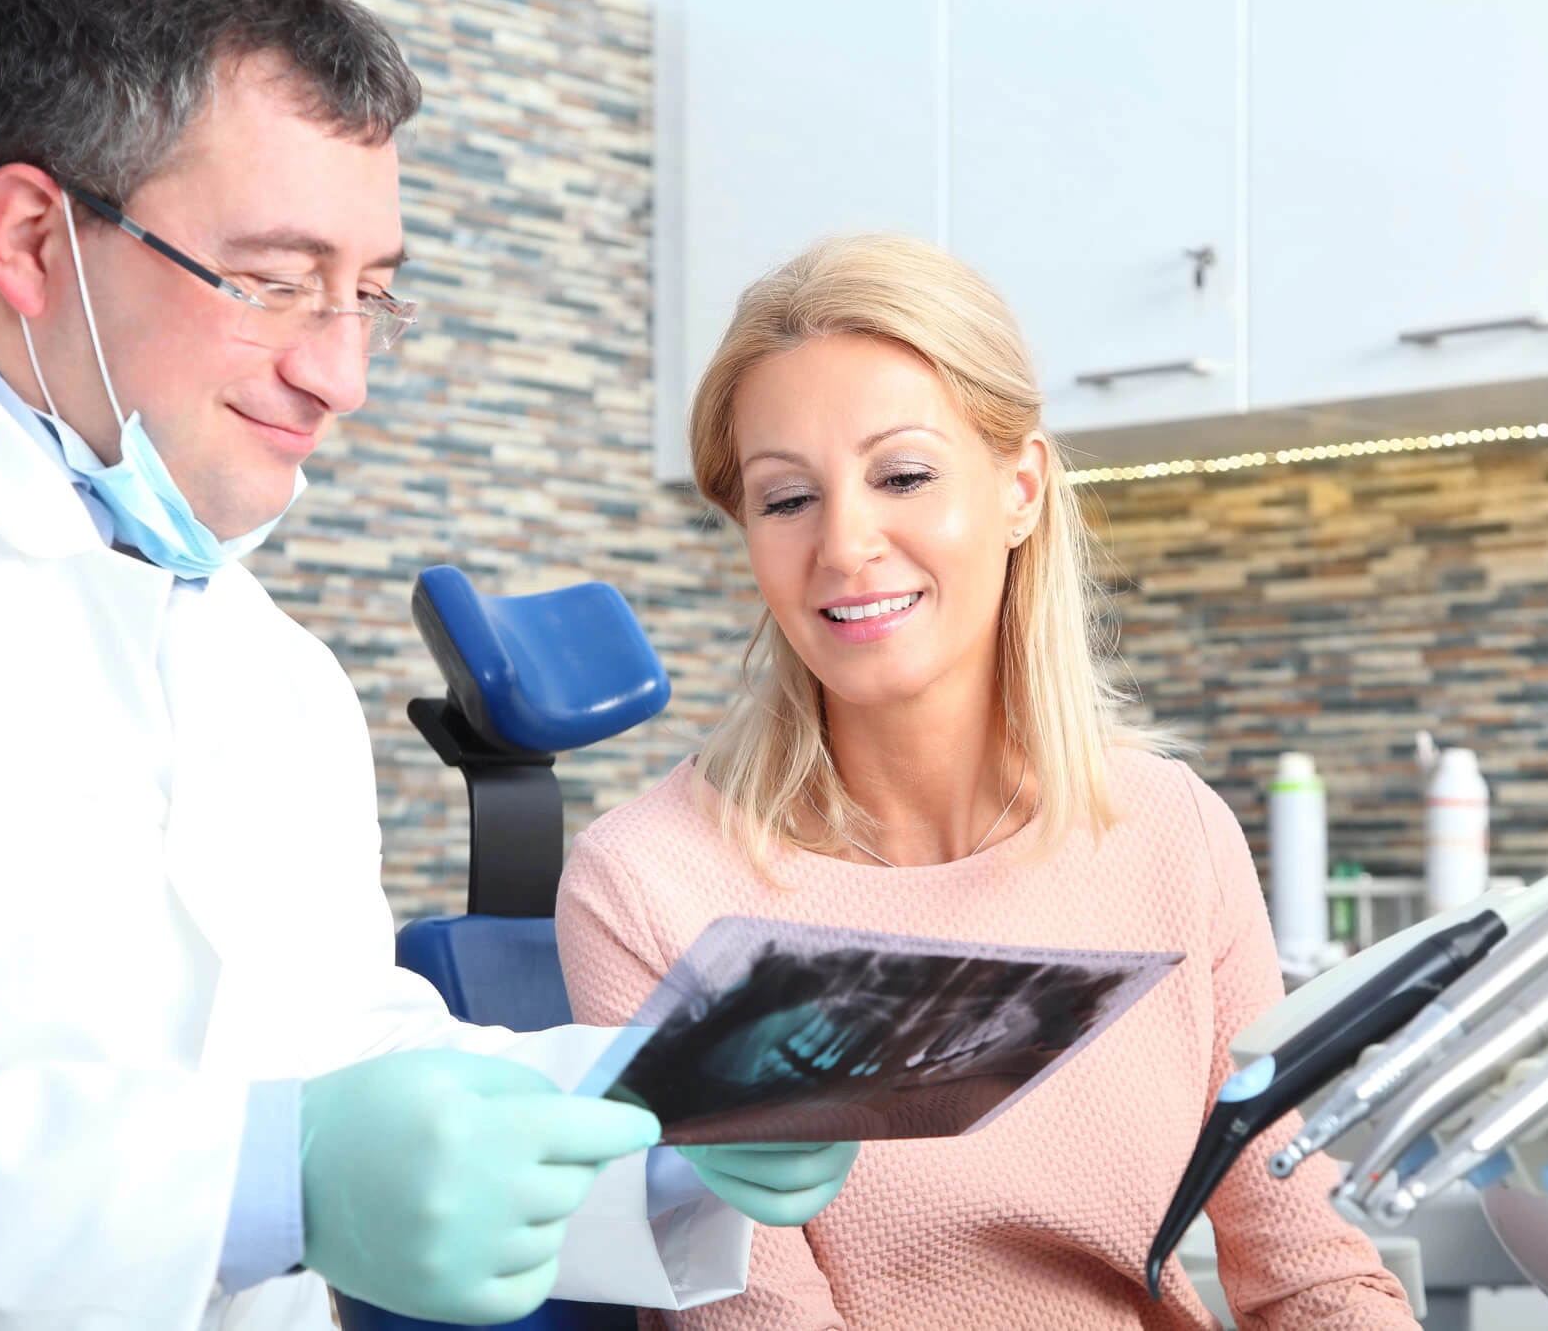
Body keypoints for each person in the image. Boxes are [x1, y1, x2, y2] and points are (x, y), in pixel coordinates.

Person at [0, 0, 855, 1327]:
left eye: (370, 295)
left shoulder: (259, 663)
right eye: (274, 279)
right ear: (33, 239)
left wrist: (656, 1110)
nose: (342, 376)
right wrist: (260, 1183)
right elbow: (298, 1150)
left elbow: (343, 1062)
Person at [555, 234, 1419, 1329]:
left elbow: (1308, 1268)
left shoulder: (1169, 833)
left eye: (903, 476)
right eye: (786, 500)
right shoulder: (649, 886)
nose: (845, 543)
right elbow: (755, 1317)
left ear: (1019, 490)